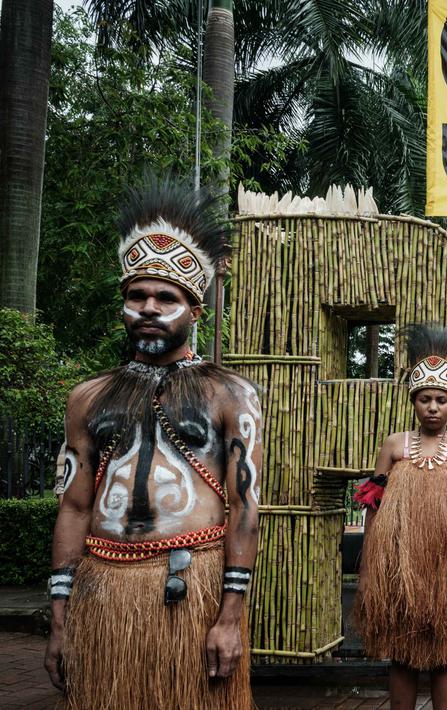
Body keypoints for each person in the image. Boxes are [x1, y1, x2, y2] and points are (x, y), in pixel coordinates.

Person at [44, 180, 261, 709]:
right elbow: (74, 507)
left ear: (195, 310)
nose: (149, 307)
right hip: (104, 593)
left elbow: (245, 508)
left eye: (166, 297)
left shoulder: (231, 394)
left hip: (190, 589)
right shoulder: (87, 398)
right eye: (136, 295)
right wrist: (60, 619)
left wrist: (230, 617)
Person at [352, 324, 447, 710]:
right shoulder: (394, 445)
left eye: (441, 399)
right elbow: (373, 507)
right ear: (414, 401)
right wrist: (369, 566)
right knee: (401, 652)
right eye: (425, 399)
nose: (433, 407)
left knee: (445, 653)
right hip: (401, 565)